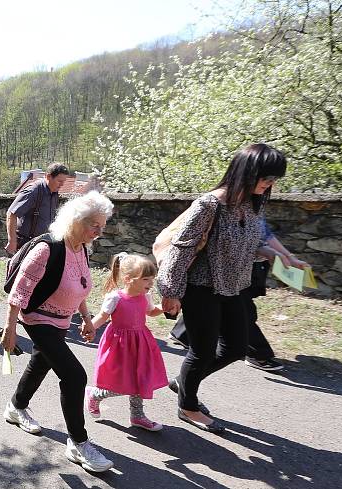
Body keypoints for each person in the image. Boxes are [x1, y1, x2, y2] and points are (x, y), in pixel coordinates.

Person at [157, 143, 287, 434]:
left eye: (274, 179)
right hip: (201, 287)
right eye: (267, 177)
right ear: (247, 172)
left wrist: (274, 254)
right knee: (201, 352)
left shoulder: (253, 204)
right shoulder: (209, 204)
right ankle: (187, 406)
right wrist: (171, 291)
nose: (271, 184)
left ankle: (183, 382)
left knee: (236, 348)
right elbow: (181, 250)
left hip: (234, 288)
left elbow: (247, 244)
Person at [0, 191, 114, 473]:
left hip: (62, 321)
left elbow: (79, 286)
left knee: (40, 363)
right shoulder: (47, 249)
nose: (100, 232)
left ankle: (16, 407)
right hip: (38, 318)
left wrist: (87, 318)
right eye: (94, 225)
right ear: (76, 221)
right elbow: (19, 292)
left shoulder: (82, 248)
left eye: (102, 225)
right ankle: (78, 442)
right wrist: (9, 329)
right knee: (75, 375)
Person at [167, 219, 309, 372]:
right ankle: (257, 354)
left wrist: (289, 257)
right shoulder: (222, 205)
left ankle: (181, 334)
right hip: (225, 271)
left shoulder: (254, 205)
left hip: (246, 269)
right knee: (244, 313)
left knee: (224, 309)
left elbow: (265, 234)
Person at [84, 253, 168, 432]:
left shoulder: (145, 296)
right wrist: (91, 327)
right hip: (120, 346)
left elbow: (151, 312)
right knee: (122, 383)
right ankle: (95, 394)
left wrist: (164, 308)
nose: (150, 283)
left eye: (152, 279)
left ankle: (137, 416)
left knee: (140, 380)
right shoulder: (115, 297)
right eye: (146, 279)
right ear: (129, 279)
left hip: (141, 343)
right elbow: (102, 317)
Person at [5, 163, 71, 255]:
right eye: (59, 181)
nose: (62, 185)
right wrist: (12, 241)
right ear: (48, 176)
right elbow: (12, 214)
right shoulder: (33, 191)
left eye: (64, 181)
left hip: (43, 243)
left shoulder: (54, 193)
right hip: (26, 243)